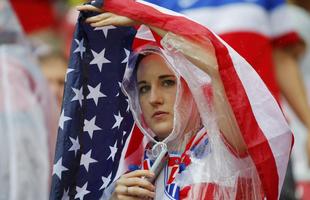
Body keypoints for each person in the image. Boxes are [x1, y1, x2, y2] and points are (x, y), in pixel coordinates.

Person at [77, 3, 293, 199]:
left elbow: (215, 64)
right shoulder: (135, 170)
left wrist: (146, 18)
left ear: (195, 89)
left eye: (168, 83)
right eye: (143, 88)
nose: (154, 99)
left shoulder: (226, 146)